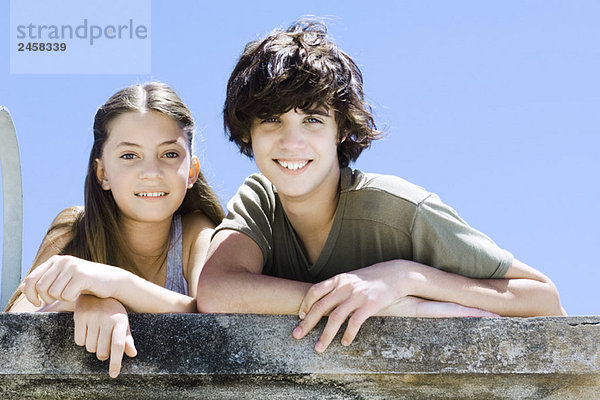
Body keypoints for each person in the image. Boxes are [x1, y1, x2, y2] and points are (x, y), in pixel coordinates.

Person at [197, 19, 566, 354]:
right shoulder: (260, 199)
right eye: (272, 119)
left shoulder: (399, 209)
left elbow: (544, 301)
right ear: (248, 131)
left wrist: (404, 278)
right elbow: (215, 290)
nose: (291, 143)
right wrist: (356, 299)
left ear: (341, 130)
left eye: (312, 119)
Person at [6, 82, 224, 377]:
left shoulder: (196, 231)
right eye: (129, 156)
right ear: (102, 173)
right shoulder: (74, 228)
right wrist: (89, 299)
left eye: (170, 154)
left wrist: (115, 285)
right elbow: (16, 321)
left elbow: (211, 313)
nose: (151, 172)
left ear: (192, 172)